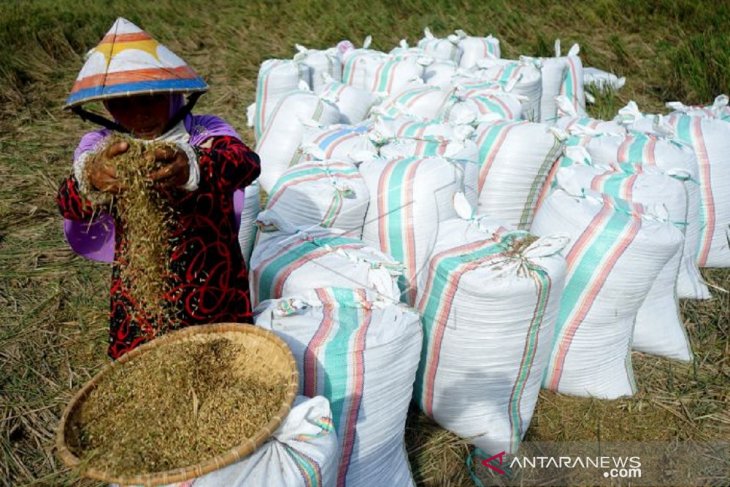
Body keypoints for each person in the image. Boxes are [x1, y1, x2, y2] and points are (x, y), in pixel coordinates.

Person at [56, 18, 260, 359]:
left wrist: (190, 164)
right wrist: (91, 179)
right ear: (106, 107)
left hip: (211, 279)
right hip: (141, 290)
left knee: (222, 361)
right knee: (149, 367)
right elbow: (69, 204)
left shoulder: (204, 132)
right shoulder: (101, 147)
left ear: (171, 93)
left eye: (149, 98)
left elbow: (245, 163)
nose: (139, 114)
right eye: (123, 102)